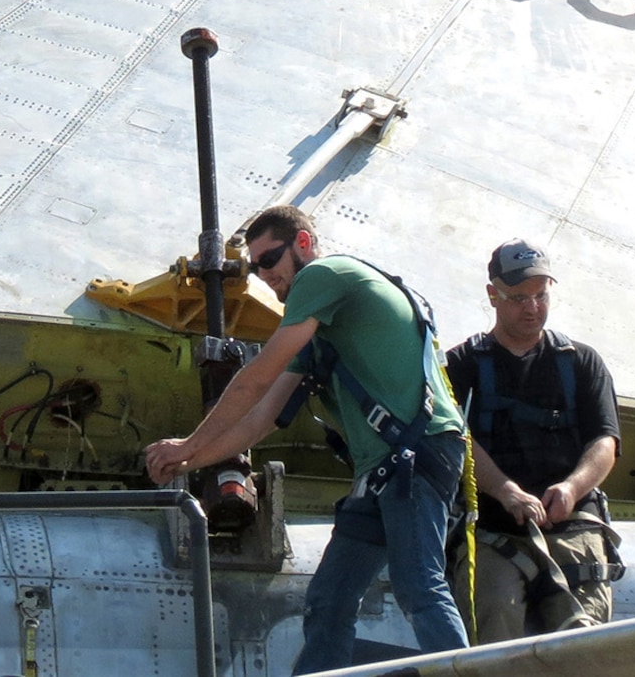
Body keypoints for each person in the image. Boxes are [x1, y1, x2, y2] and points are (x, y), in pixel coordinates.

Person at [143, 205, 468, 672]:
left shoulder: (324, 276)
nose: (263, 276)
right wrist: (188, 463)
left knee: (418, 584)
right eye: (255, 267)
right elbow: (259, 419)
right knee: (329, 600)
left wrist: (189, 444)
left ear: (302, 244)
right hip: (384, 471)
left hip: (416, 457)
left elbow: (255, 379)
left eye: (269, 260)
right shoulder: (319, 327)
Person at [444, 239, 621, 642]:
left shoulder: (581, 361)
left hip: (573, 524)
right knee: (494, 629)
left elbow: (605, 441)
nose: (533, 307)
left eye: (541, 296)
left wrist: (572, 488)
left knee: (584, 643)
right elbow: (456, 439)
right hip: (495, 531)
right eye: (519, 297)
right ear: (493, 295)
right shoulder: (461, 367)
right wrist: (507, 492)